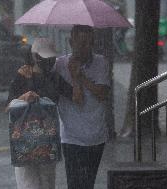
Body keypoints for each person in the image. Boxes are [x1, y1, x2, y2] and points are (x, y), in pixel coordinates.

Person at [6, 38, 73, 189]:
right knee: (28, 183)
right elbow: (8, 106)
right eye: (44, 57)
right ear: (35, 56)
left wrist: (76, 73)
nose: (48, 61)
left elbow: (75, 96)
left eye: (51, 58)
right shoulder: (22, 75)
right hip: (24, 140)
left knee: (48, 182)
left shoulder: (55, 78)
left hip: (48, 140)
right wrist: (23, 97)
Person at [53, 25, 111, 189]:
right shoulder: (59, 64)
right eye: (80, 43)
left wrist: (80, 76)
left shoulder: (100, 62)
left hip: (95, 136)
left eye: (88, 43)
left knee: (88, 183)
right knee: (74, 183)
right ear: (71, 42)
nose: (85, 48)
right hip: (71, 136)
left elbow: (102, 93)